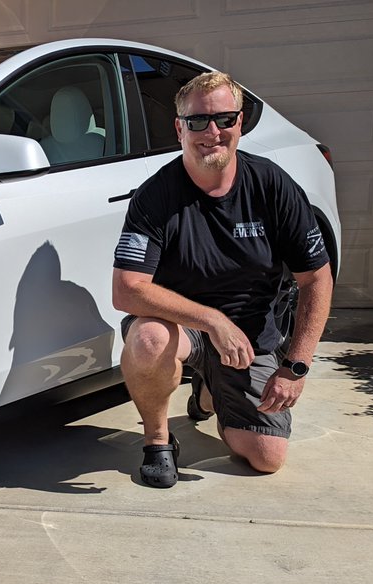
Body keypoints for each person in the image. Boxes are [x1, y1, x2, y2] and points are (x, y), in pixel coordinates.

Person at [111, 71, 334, 488]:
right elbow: (127, 290)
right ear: (179, 128)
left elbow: (316, 279)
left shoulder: (273, 185)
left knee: (266, 458)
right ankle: (158, 441)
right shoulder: (155, 195)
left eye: (224, 120)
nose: (211, 132)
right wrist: (213, 321)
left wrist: (296, 367)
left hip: (249, 337)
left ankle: (210, 391)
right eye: (197, 122)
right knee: (147, 340)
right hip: (183, 329)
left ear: (240, 123)